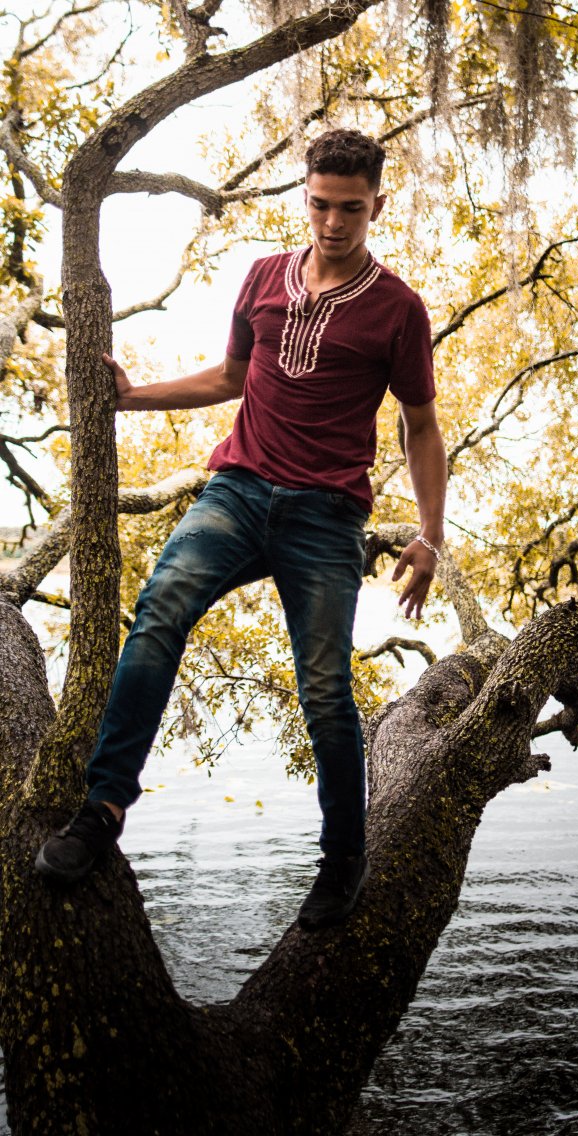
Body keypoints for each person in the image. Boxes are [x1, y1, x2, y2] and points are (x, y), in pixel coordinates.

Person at [35, 128, 447, 931]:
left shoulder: (397, 309)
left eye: (351, 208)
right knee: (158, 613)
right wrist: (133, 397)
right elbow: (232, 377)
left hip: (327, 513)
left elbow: (421, 425)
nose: (333, 222)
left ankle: (343, 857)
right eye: (320, 205)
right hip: (238, 490)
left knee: (324, 687)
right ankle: (104, 808)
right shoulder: (262, 277)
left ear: (378, 204)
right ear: (306, 196)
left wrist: (431, 536)